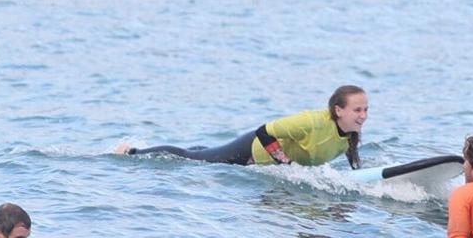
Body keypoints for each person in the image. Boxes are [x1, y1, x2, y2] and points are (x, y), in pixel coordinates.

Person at [115, 85, 368, 168]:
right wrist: (287, 166)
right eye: (358, 110)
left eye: (366, 109)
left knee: (208, 151)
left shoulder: (350, 133)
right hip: (251, 151)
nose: (363, 115)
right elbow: (264, 131)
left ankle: (208, 148)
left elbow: (350, 152)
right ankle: (132, 153)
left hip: (267, 163)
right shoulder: (311, 122)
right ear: (338, 110)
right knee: (194, 158)